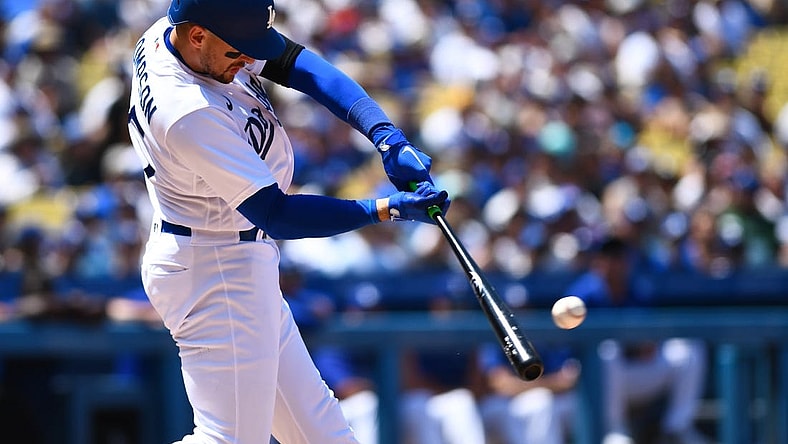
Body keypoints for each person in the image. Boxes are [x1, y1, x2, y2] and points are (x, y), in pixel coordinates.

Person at [126, 0, 451, 442]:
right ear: (197, 35)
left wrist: (385, 135)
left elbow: (295, 63)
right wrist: (385, 208)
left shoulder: (181, 33)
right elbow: (276, 213)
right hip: (215, 265)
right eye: (237, 52)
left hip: (229, 254)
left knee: (324, 435)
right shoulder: (186, 109)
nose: (247, 60)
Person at [565, 237, 709, 444]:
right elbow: (572, 349)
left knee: (687, 348)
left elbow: (650, 335)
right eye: (608, 258)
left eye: (618, 258)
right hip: (594, 382)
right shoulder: (581, 294)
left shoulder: (638, 289)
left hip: (636, 370)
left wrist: (647, 342)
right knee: (607, 350)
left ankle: (677, 428)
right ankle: (614, 430)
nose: (614, 264)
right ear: (598, 262)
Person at [477, 342, 579, 444]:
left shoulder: (553, 333)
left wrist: (523, 385)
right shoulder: (502, 332)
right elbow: (500, 383)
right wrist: (546, 383)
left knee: (541, 401)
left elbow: (567, 380)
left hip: (558, 401)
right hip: (504, 402)